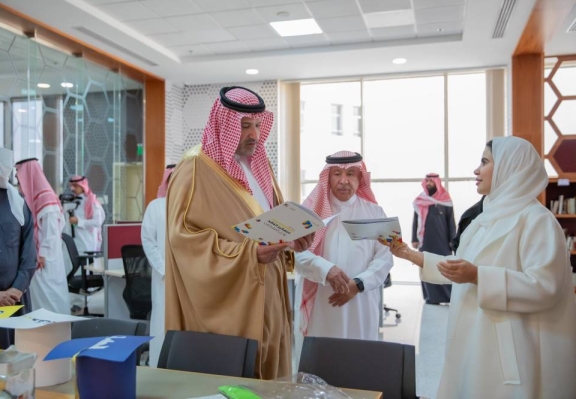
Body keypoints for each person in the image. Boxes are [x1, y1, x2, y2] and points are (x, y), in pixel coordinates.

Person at [382, 137, 576, 399]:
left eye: (484, 162)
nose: (476, 170)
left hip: (510, 351)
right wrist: (411, 255)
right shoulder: (484, 219)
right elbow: (461, 267)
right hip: (474, 342)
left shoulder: (537, 221)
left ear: (510, 168)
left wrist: (479, 276)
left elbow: (545, 287)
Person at [165, 86, 313, 379]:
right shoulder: (194, 169)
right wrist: (247, 253)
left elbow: (273, 219)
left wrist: (291, 238)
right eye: (244, 126)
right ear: (225, 124)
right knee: (236, 376)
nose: (254, 135)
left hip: (269, 288)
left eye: (258, 125)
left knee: (271, 375)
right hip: (231, 300)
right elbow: (182, 240)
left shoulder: (261, 166)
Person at [296, 150, 393, 341]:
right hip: (320, 302)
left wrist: (358, 284)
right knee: (318, 360)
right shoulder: (309, 211)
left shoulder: (376, 212)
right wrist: (326, 269)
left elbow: (385, 257)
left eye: (350, 174)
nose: (344, 180)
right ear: (328, 178)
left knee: (357, 359)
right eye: (337, 174)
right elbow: (296, 253)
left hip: (360, 301)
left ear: (360, 178)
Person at [0, 145, 36, 348]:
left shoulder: (14, 201)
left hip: (15, 301)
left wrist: (17, 289)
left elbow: (29, 250)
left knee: (18, 364)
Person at [15, 158, 70, 314]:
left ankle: (55, 331)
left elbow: (51, 232)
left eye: (20, 180)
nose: (20, 184)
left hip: (46, 258)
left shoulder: (46, 199)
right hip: (39, 256)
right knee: (41, 297)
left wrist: (43, 254)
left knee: (50, 295)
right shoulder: (36, 199)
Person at [141, 163, 176, 367]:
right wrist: (164, 270)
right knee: (163, 322)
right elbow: (148, 240)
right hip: (164, 278)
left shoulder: (193, 206)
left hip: (188, 278)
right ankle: (158, 367)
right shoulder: (156, 206)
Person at [412, 173, 456, 304]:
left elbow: (451, 222)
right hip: (425, 241)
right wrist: (414, 238)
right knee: (426, 265)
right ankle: (431, 297)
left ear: (437, 182)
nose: (429, 183)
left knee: (444, 266)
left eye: (431, 181)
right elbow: (416, 220)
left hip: (442, 241)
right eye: (427, 181)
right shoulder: (420, 200)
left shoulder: (445, 199)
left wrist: (452, 240)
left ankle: (448, 297)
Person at [66, 175, 105, 253]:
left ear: (82, 186)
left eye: (75, 186)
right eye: (71, 186)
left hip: (87, 241)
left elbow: (98, 222)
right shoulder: (72, 201)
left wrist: (79, 221)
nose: (72, 189)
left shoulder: (91, 202)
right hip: (74, 241)